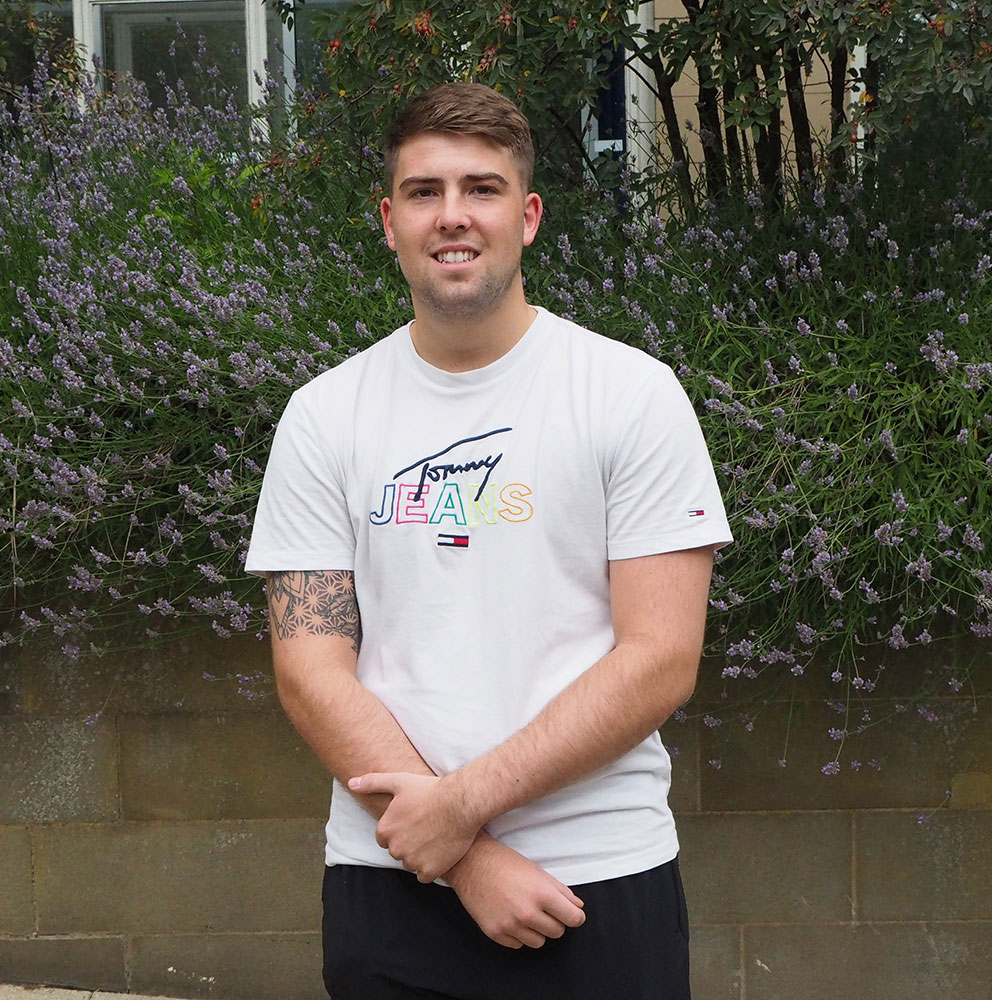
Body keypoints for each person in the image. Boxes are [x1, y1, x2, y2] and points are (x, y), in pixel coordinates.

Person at [245, 81, 732, 1000]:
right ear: (389, 221)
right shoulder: (323, 416)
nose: (452, 216)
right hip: (388, 882)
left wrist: (463, 808)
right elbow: (310, 669)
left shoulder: (630, 395)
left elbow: (662, 657)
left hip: (594, 876)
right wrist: (462, 857)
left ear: (530, 215)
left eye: (483, 188)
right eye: (424, 192)